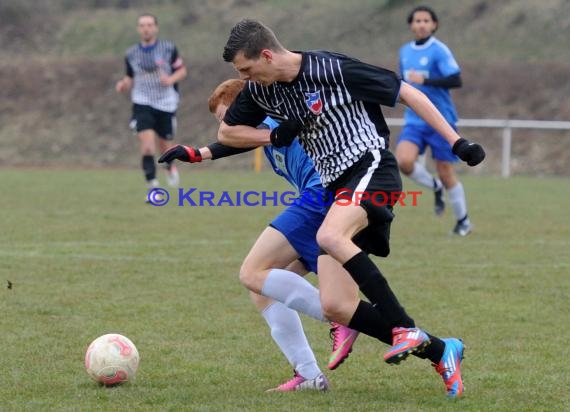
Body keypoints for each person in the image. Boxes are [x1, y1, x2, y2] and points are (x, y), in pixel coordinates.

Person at [217, 19, 486, 398]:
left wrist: (457, 143)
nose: (245, 78)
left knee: (329, 234)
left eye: (247, 69)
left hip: (371, 167)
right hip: (336, 187)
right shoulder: (261, 91)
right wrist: (273, 135)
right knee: (336, 306)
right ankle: (442, 350)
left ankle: (404, 326)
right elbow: (227, 132)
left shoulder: (332, 69)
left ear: (266, 55)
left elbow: (409, 94)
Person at [159, 79, 360, 392]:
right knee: (263, 287)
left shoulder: (274, 118)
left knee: (253, 272)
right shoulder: (263, 131)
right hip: (317, 201)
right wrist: (197, 154)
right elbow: (241, 141)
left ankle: (347, 317)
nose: (225, 126)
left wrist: (201, 152)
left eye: (226, 116)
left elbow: (252, 134)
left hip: (321, 197)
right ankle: (309, 374)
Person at [397, 5, 472, 235]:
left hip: (441, 120)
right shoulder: (405, 51)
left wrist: (426, 80)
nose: (421, 24)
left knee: (445, 170)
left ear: (434, 25)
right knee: (404, 161)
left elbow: (456, 79)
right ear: (411, 25)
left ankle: (463, 222)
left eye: (426, 20)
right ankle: (435, 187)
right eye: (417, 21)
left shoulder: (439, 50)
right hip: (414, 120)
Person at [115, 13, 187, 201]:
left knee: (165, 149)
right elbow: (130, 76)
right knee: (147, 147)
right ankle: (153, 188)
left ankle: (170, 165)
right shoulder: (131, 53)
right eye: (142, 25)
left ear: (156, 28)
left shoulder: (168, 49)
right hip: (142, 102)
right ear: (138, 29)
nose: (146, 28)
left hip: (166, 103)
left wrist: (170, 79)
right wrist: (123, 84)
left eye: (149, 25)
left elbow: (182, 71)